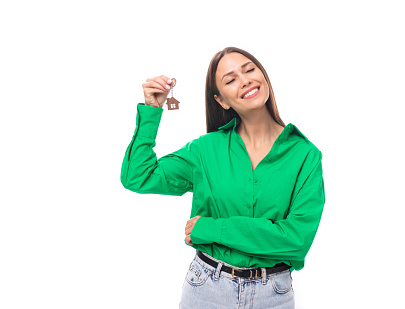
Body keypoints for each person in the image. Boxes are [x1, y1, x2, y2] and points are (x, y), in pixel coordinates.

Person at [120, 46, 325, 308]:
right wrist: (152, 110)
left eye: (250, 70)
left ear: (264, 77)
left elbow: (296, 240)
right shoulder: (205, 150)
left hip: (273, 295)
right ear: (222, 101)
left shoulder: (305, 156)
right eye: (230, 79)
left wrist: (211, 228)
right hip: (206, 289)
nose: (245, 80)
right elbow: (138, 176)